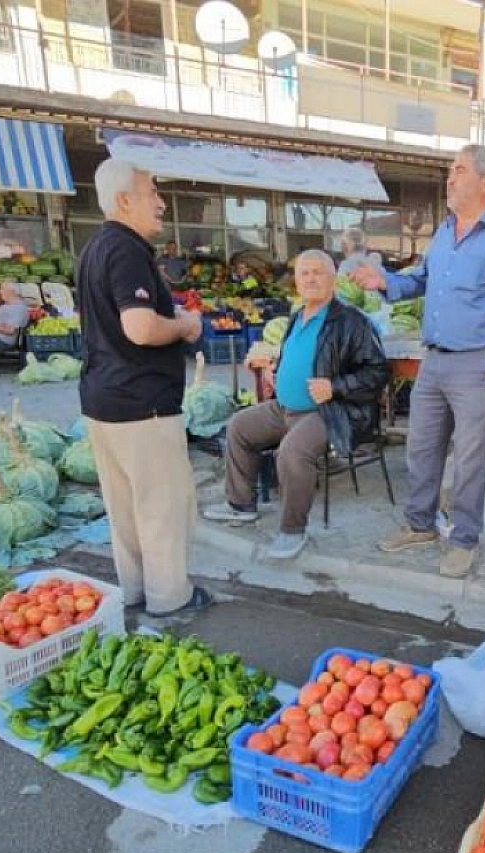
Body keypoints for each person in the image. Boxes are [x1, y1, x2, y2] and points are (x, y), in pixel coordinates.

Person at [350, 143, 485, 579]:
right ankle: (420, 525)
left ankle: (464, 540)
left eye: (458, 170)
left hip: (478, 362)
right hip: (433, 359)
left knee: (470, 457)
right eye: (449, 170)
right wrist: (385, 281)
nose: (449, 178)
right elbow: (420, 279)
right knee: (421, 448)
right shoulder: (444, 230)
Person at [75, 159, 209, 618]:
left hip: (102, 400)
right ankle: (171, 598)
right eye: (152, 191)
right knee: (162, 506)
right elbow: (139, 327)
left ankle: (133, 591)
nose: (161, 202)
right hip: (142, 403)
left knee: (126, 508)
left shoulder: (94, 248)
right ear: (124, 200)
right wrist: (185, 325)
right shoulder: (128, 250)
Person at [201, 250, 389, 559]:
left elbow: (378, 371)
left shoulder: (351, 321)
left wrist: (335, 387)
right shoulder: (296, 317)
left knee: (293, 451)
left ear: (333, 279)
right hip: (284, 408)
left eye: (318, 272)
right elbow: (298, 356)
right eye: (305, 273)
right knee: (239, 426)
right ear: (297, 282)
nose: (311, 278)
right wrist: (279, 371)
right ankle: (240, 505)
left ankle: (292, 530)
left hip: (328, 412)